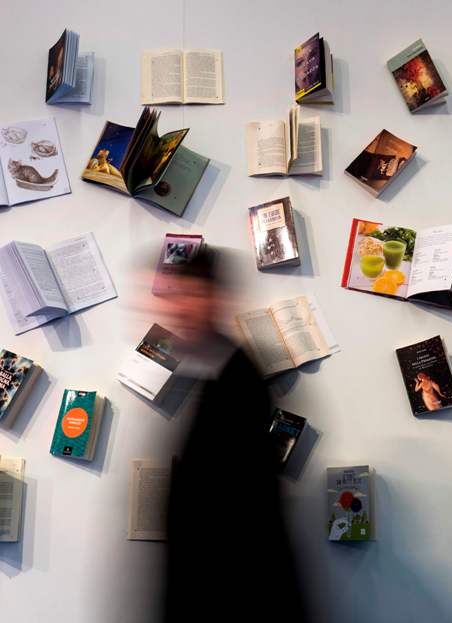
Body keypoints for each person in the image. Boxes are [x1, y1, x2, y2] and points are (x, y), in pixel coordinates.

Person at [142, 247, 309, 623]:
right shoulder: (206, 370)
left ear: (215, 298)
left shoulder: (238, 379)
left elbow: (234, 516)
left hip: (234, 593)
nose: (178, 308)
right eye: (176, 296)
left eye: (190, 294)